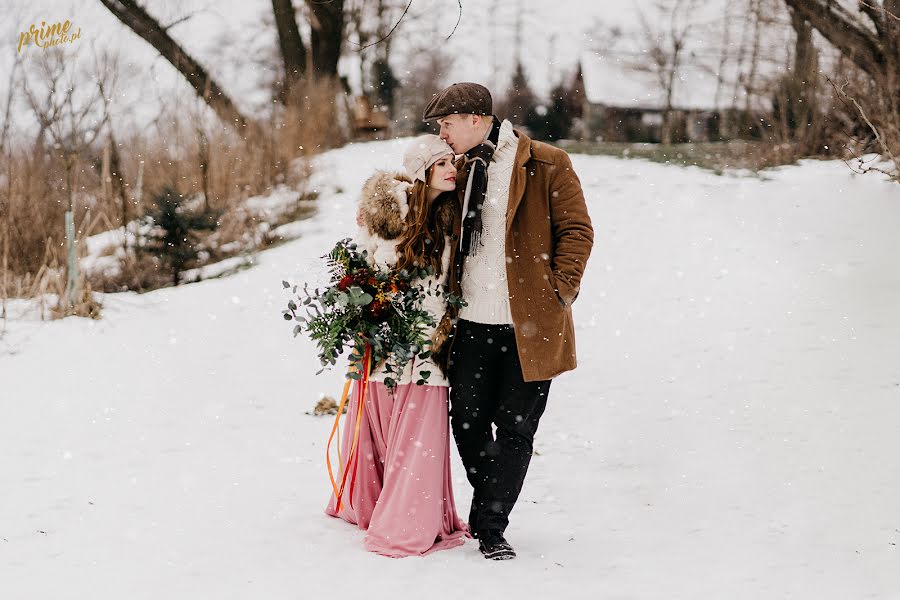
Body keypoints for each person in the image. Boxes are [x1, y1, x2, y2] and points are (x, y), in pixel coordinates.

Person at [422, 82, 594, 560]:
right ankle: (489, 500)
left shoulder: (546, 162)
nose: (442, 133)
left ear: (476, 119)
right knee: (468, 422)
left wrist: (558, 291)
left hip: (529, 324)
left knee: (515, 429)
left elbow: (577, 231)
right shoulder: (457, 170)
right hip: (472, 322)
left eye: (447, 123)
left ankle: (492, 524)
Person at [324, 135, 469, 557]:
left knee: (418, 436)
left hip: (430, 344)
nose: (450, 169)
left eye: (452, 161)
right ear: (422, 170)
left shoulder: (451, 214)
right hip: (388, 341)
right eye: (441, 163)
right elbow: (373, 270)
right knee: (381, 428)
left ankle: (410, 517)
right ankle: (375, 502)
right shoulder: (388, 214)